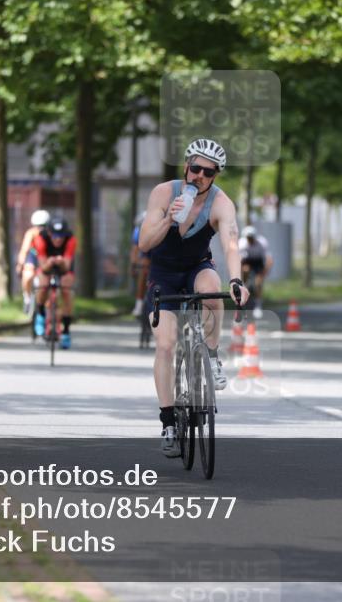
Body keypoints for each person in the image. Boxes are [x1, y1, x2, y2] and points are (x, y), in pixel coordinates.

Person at [137, 138, 249, 457]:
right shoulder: (163, 192)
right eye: (195, 168)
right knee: (166, 344)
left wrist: (237, 279)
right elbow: (145, 243)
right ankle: (169, 422)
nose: (199, 176)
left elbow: (230, 243)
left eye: (208, 172)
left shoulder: (221, 203)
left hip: (197, 267)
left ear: (215, 176)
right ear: (186, 166)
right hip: (164, 273)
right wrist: (169, 219)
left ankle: (212, 355)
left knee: (212, 287)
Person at [32, 217, 77, 349]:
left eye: (61, 236)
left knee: (66, 289)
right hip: (46, 262)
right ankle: (40, 314)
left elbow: (67, 267)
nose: (58, 239)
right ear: (50, 234)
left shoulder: (71, 239)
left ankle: (66, 331)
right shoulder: (40, 239)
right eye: (55, 236)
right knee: (43, 283)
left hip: (64, 265)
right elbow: (43, 267)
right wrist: (50, 262)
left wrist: (61, 262)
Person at [17, 209, 51, 312]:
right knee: (28, 275)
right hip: (33, 255)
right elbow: (24, 249)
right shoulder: (31, 233)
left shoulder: (50, 234)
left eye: (43, 226)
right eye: (38, 226)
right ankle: (27, 297)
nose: (40, 229)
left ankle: (47, 304)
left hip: (46, 256)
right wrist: (20, 264)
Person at [239, 225, 273, 318]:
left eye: (251, 238)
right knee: (245, 269)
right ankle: (244, 285)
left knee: (258, 283)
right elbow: (239, 261)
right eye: (248, 238)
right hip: (247, 261)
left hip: (258, 262)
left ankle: (258, 305)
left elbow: (269, 259)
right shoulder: (242, 244)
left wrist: (265, 272)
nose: (250, 240)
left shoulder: (262, 243)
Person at [129, 211, 151, 316]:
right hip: (145, 255)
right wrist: (133, 265)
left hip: (157, 253)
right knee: (142, 275)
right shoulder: (137, 232)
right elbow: (135, 250)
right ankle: (139, 304)